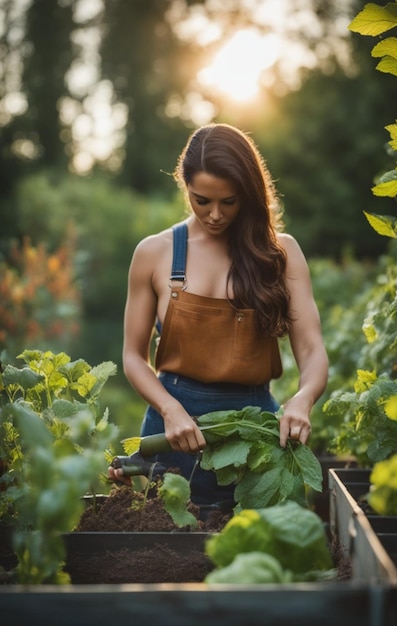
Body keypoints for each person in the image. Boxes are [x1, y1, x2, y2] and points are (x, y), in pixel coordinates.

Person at [108, 123, 328, 506]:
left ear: (248, 194)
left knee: (260, 551)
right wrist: (170, 409)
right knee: (166, 553)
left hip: (255, 434)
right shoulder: (154, 253)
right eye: (201, 200)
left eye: (228, 202)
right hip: (174, 432)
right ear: (185, 185)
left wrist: (303, 398)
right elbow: (132, 356)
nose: (214, 215)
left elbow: (311, 350)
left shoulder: (281, 253)